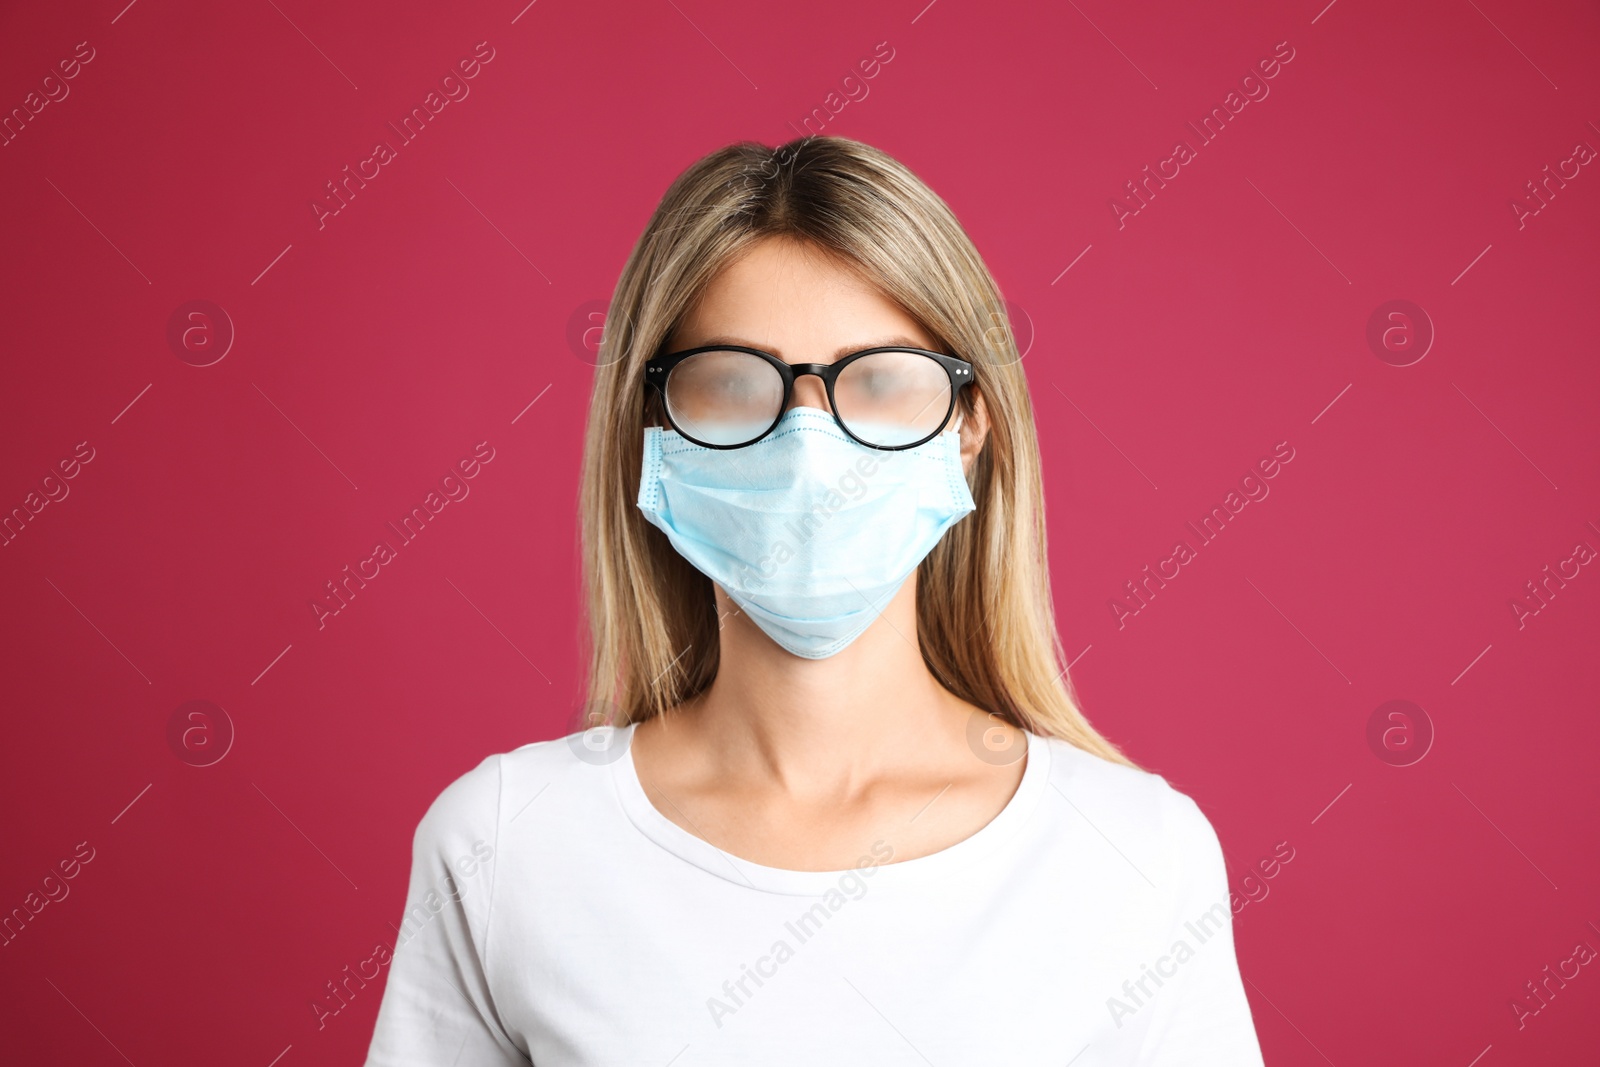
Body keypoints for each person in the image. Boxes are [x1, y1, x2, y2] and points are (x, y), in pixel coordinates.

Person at [362, 135, 1265, 1065]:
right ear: (653, 427)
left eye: (876, 381)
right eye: (732, 382)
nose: (806, 448)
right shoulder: (507, 845)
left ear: (970, 425)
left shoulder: (1136, 856)